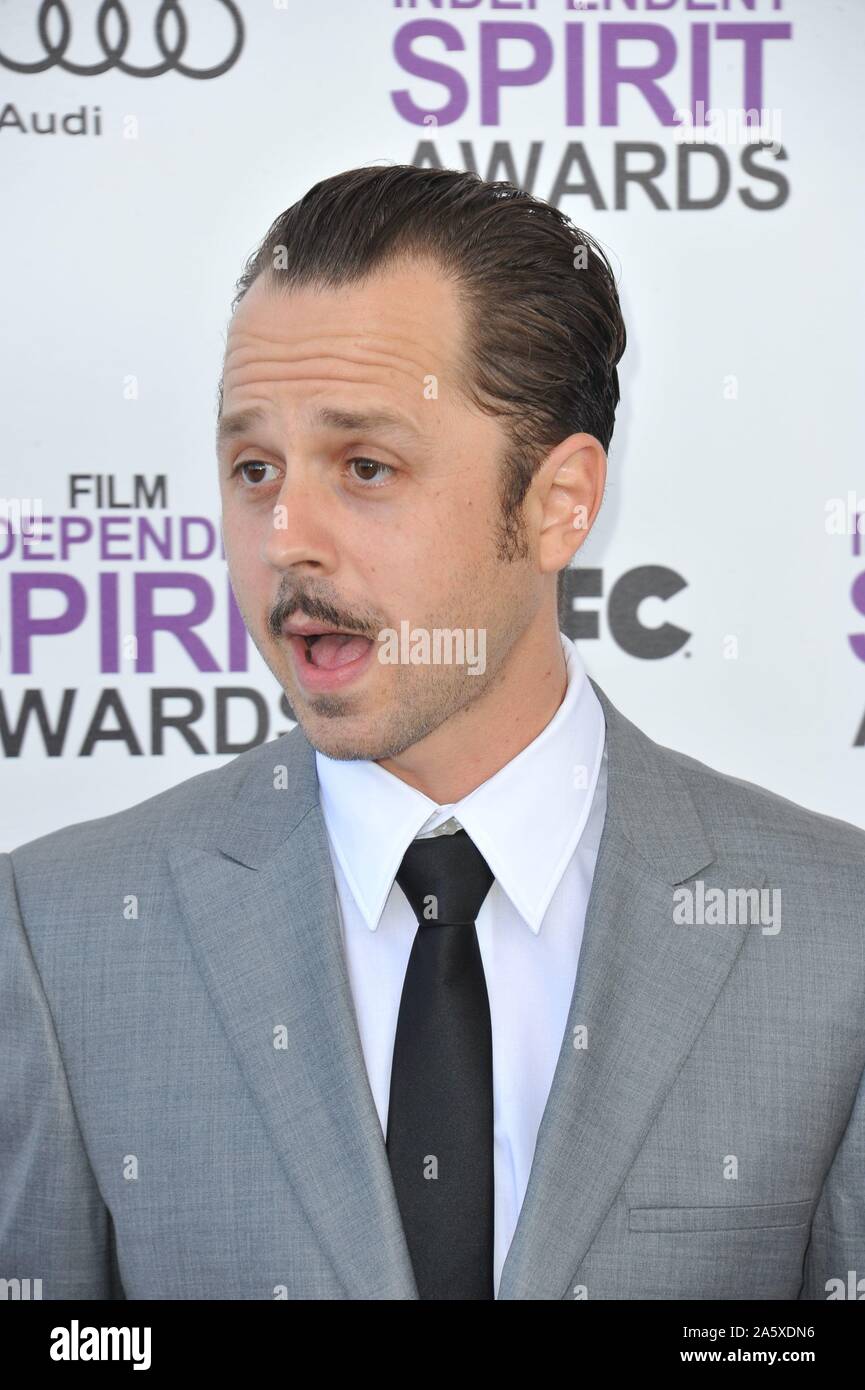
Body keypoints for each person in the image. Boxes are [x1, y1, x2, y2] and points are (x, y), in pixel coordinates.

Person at [2, 165, 863, 1301]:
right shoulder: (61, 934)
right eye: (252, 467)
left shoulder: (831, 935)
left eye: (366, 467)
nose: (285, 537)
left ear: (558, 502)